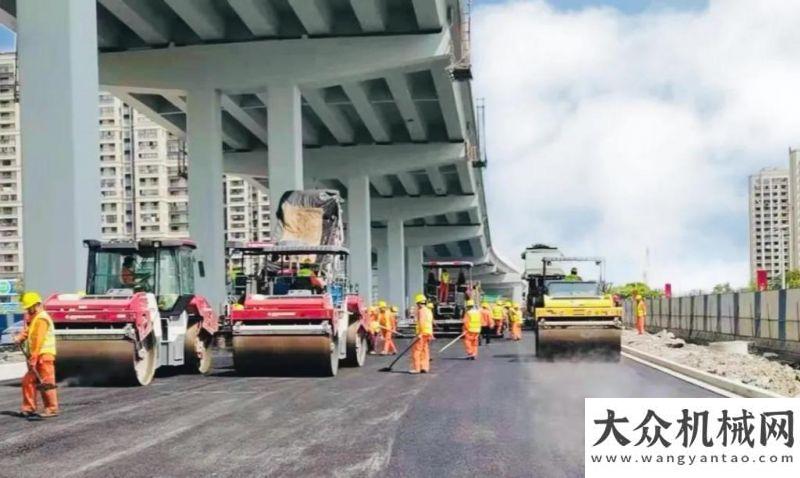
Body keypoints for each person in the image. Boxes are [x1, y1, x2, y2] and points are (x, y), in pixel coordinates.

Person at [14, 291, 58, 418]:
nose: (28, 310)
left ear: (37, 305)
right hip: (36, 355)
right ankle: (28, 408)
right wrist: (19, 338)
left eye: (29, 307)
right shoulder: (34, 318)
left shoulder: (42, 319)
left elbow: (39, 340)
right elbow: (28, 332)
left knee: (46, 383)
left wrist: (34, 357)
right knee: (28, 381)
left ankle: (51, 408)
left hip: (44, 356)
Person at [410, 294, 434, 374]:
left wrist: (420, 333)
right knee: (425, 350)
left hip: (422, 333)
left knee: (416, 350)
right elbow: (429, 323)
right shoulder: (428, 310)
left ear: (418, 303)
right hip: (428, 332)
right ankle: (425, 367)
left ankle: (417, 368)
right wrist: (431, 334)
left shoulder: (421, 311)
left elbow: (422, 323)